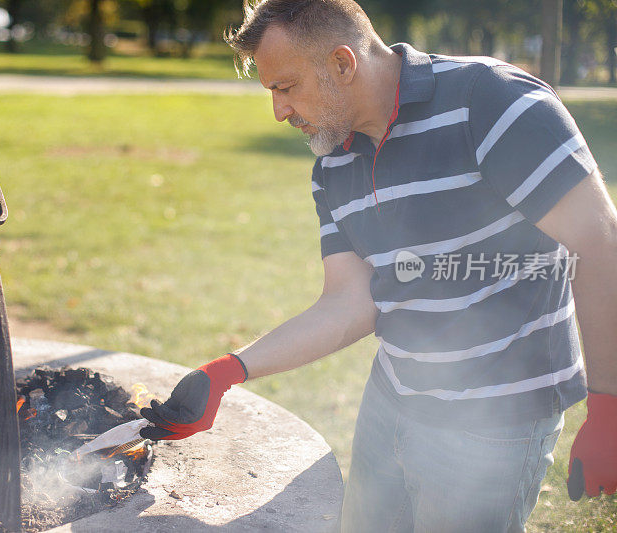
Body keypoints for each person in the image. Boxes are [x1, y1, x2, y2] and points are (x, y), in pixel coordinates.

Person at [139, 1, 617, 531]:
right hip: (392, 399)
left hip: (495, 419)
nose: (278, 111)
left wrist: (610, 408)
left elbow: (599, 245)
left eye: (286, 87)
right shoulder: (333, 161)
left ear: (344, 63)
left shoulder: (491, 101)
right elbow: (350, 302)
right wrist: (227, 372)